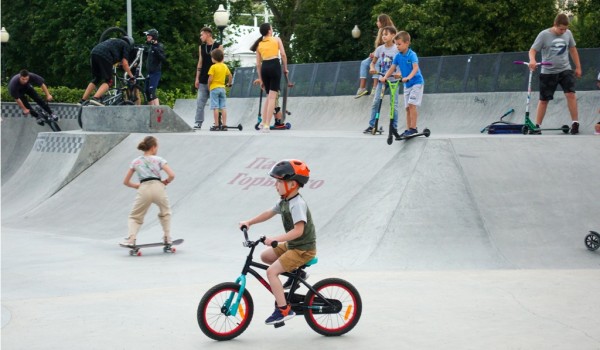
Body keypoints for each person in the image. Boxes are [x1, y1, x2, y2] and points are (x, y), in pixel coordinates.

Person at [239, 159, 316, 325]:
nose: (276, 185)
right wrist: (249, 222)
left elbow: (298, 231)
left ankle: (284, 310)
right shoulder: (284, 201)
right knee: (265, 256)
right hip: (293, 246)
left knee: (271, 272)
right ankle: (298, 274)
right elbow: (268, 213)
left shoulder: (297, 204)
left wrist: (275, 239)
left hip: (303, 249)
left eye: (279, 182)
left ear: (293, 184)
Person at [528, 13, 582, 135]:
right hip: (548, 72)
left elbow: (573, 50)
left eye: (565, 29)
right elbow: (532, 50)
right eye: (561, 29)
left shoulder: (568, 34)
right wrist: (532, 60)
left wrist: (578, 67)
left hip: (565, 70)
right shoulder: (544, 35)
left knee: (571, 95)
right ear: (555, 25)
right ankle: (537, 126)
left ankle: (575, 123)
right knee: (544, 100)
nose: (563, 31)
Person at [121, 136, 175, 246]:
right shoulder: (159, 159)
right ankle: (167, 237)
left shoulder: (136, 162)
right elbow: (172, 175)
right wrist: (165, 182)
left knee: (135, 216)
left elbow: (126, 182)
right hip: (158, 187)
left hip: (144, 188)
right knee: (165, 212)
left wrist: (136, 186)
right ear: (154, 147)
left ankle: (131, 239)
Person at [382, 31, 425, 138]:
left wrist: (408, 77)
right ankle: (408, 129)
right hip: (407, 85)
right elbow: (392, 68)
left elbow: (415, 68)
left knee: (412, 105)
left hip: (416, 83)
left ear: (407, 43)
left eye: (399, 44)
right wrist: (385, 77)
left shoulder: (412, 55)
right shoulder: (397, 56)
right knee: (407, 108)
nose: (397, 46)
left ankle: (413, 128)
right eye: (396, 44)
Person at [250, 23, 288, 133]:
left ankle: (262, 122)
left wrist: (261, 78)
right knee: (272, 98)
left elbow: (258, 64)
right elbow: (283, 55)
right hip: (275, 65)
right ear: (269, 31)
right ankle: (267, 125)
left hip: (265, 67)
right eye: (272, 28)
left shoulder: (259, 44)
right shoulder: (276, 39)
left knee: (268, 97)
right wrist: (285, 68)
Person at [363, 26, 400, 137]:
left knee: (394, 104)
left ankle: (394, 126)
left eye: (386, 34)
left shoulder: (397, 49)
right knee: (375, 102)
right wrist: (372, 68)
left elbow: (402, 64)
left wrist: (400, 73)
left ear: (393, 35)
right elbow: (372, 62)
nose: (383, 36)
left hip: (394, 81)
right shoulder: (380, 49)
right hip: (382, 80)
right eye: (383, 34)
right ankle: (372, 125)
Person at [81, 36, 136, 106]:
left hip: (94, 53)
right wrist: (131, 76)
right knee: (109, 81)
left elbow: (117, 60)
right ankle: (95, 99)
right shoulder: (126, 46)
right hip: (104, 56)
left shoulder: (115, 42)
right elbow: (125, 64)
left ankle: (82, 100)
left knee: (96, 79)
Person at [355, 14, 395, 98]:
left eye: (378, 21)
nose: (376, 23)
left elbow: (389, 45)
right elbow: (379, 47)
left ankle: (375, 87)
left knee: (377, 63)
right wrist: (373, 53)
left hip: (387, 56)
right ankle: (362, 88)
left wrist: (377, 55)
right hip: (379, 53)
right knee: (364, 63)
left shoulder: (390, 31)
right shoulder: (380, 30)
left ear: (382, 21)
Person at [194, 27, 221, 129]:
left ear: (208, 34)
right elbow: (200, 62)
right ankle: (198, 122)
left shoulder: (218, 46)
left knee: (216, 103)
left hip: (214, 79)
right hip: (203, 78)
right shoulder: (202, 47)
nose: (201, 37)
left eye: (202, 35)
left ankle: (218, 122)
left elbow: (221, 63)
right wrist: (197, 78)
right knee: (200, 102)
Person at [207, 49, 233, 131]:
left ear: (214, 58)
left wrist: (208, 86)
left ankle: (217, 125)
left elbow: (210, 79)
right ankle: (224, 125)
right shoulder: (224, 66)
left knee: (215, 107)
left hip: (214, 88)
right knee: (223, 107)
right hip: (222, 88)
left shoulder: (213, 67)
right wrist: (229, 84)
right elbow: (230, 75)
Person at [143, 28, 166, 106]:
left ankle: (157, 110)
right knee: (146, 91)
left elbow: (163, 58)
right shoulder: (150, 47)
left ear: (154, 37)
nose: (147, 38)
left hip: (155, 72)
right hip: (149, 72)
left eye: (149, 36)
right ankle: (150, 110)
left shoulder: (159, 46)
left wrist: (155, 49)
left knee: (151, 91)